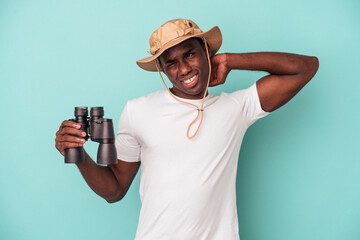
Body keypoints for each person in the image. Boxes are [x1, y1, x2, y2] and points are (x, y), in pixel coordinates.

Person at [55, 19, 319, 240]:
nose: (183, 69)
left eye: (190, 54)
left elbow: (305, 68)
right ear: (162, 70)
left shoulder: (236, 108)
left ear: (206, 51)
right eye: (171, 63)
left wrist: (229, 60)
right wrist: (79, 155)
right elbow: (114, 191)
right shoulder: (138, 111)